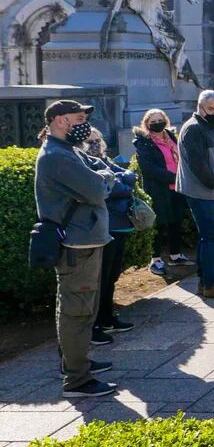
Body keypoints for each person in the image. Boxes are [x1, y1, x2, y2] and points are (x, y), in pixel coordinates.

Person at [35, 100, 117, 397]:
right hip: (76, 244)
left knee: (80, 309)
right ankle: (77, 380)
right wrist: (107, 178)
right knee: (76, 311)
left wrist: (102, 176)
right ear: (59, 121)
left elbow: (98, 173)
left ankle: (77, 362)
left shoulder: (67, 151)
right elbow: (97, 189)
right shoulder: (57, 156)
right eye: (78, 118)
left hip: (84, 240)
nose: (83, 124)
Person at [79, 129, 137, 344]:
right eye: (89, 141)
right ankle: (94, 324)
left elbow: (129, 176)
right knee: (99, 277)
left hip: (118, 224)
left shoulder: (102, 160)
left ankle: (107, 317)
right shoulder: (84, 162)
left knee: (111, 275)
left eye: (97, 140)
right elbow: (110, 189)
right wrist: (119, 182)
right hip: (101, 227)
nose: (94, 144)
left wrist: (120, 181)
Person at [177, 90, 214, 299]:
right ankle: (210, 283)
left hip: (212, 194)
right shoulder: (193, 128)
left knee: (208, 237)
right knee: (212, 237)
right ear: (199, 106)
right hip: (204, 194)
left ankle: (206, 281)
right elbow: (198, 164)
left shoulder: (208, 126)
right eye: (211, 109)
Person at [132, 109, 193, 276]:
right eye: (153, 121)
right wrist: (174, 177)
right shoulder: (143, 142)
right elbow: (149, 169)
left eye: (160, 119)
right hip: (159, 189)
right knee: (159, 224)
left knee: (176, 221)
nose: (157, 123)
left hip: (177, 187)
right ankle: (156, 259)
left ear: (165, 121)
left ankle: (175, 254)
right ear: (146, 124)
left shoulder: (171, 137)